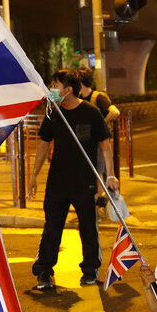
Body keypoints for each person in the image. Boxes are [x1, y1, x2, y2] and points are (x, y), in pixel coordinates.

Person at [29, 69, 119, 289]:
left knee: (88, 227)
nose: (52, 88)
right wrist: (33, 176)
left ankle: (90, 270)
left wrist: (111, 175)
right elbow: (43, 146)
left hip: (84, 181)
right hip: (57, 181)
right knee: (52, 227)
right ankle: (44, 271)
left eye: (55, 84)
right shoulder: (53, 113)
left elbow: (105, 146)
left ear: (68, 89)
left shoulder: (91, 113)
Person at [77, 67, 120, 206]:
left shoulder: (97, 97)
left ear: (80, 81)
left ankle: (95, 201)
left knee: (97, 172)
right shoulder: (77, 97)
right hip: (83, 142)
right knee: (87, 173)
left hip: (98, 144)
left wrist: (101, 123)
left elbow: (115, 112)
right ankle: (95, 200)